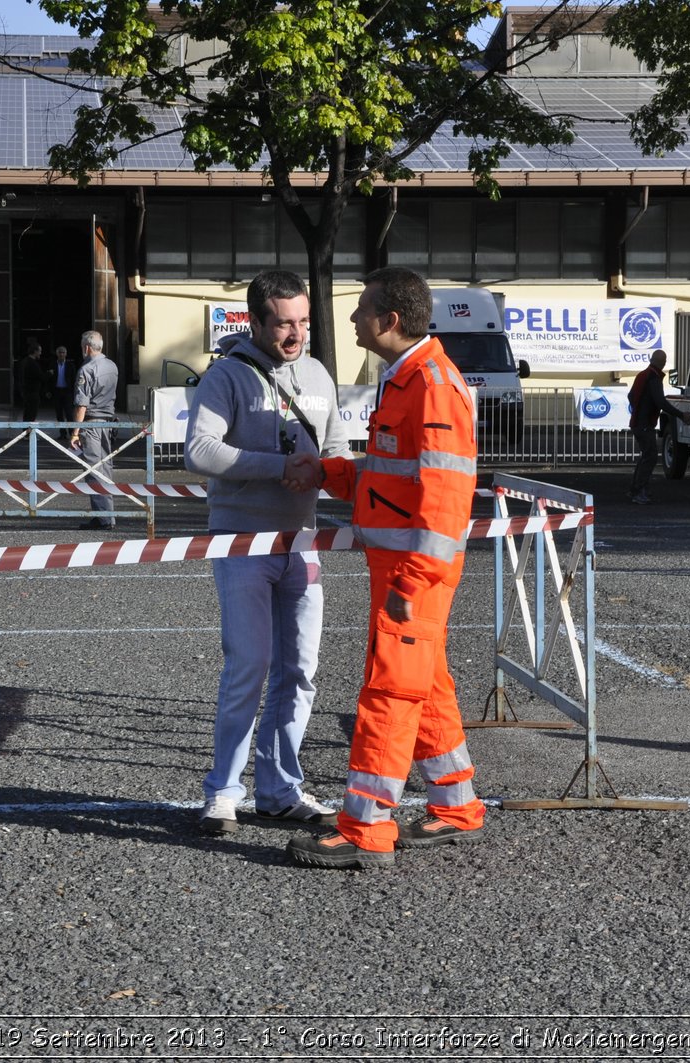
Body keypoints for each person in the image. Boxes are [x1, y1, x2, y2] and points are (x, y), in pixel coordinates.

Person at [285, 266, 482, 871]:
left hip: (412, 573)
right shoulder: (409, 379)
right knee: (425, 685)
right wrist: (330, 472)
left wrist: (412, 580)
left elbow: (447, 498)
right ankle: (456, 806)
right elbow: (393, 479)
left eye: (361, 308)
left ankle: (367, 828)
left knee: (390, 690)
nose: (350, 319)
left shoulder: (430, 385)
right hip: (404, 568)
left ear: (389, 321)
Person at [184, 270, 350, 835]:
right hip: (240, 542)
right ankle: (223, 793)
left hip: (302, 542)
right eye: (284, 323)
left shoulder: (319, 374)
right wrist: (280, 468)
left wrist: (329, 471)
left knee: (300, 671)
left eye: (303, 321)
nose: (296, 333)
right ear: (254, 321)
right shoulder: (226, 377)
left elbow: (336, 451)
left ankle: (280, 790)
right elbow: (199, 451)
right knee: (249, 667)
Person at [626, 349, 690, 504]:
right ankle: (639, 490)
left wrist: (639, 408)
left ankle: (635, 489)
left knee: (646, 456)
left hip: (638, 422)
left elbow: (631, 396)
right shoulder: (653, 378)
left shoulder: (642, 375)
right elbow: (661, 402)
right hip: (644, 424)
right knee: (649, 457)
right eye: (664, 361)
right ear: (661, 362)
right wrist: (681, 415)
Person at [69, 331, 119, 530]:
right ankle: (109, 515)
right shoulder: (112, 366)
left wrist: (74, 432)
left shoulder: (86, 369)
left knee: (93, 469)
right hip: (108, 421)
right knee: (106, 468)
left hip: (91, 423)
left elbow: (82, 404)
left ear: (86, 347)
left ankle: (103, 518)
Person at [48, 345, 78, 437]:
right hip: (57, 391)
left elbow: (74, 379)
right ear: (57, 354)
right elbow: (49, 379)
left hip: (67, 392)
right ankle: (63, 433)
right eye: (60, 352)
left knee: (69, 413)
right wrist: (48, 391)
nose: (61, 354)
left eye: (63, 352)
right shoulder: (52, 365)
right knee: (59, 413)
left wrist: (75, 391)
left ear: (66, 354)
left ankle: (72, 433)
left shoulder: (70, 365)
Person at [14, 339, 43, 423]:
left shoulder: (24, 362)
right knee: (31, 413)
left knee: (27, 412)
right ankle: (29, 432)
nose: (40, 353)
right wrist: (50, 373)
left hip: (25, 391)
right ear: (35, 351)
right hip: (32, 392)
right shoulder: (33, 364)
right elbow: (40, 376)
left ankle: (26, 432)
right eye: (39, 351)